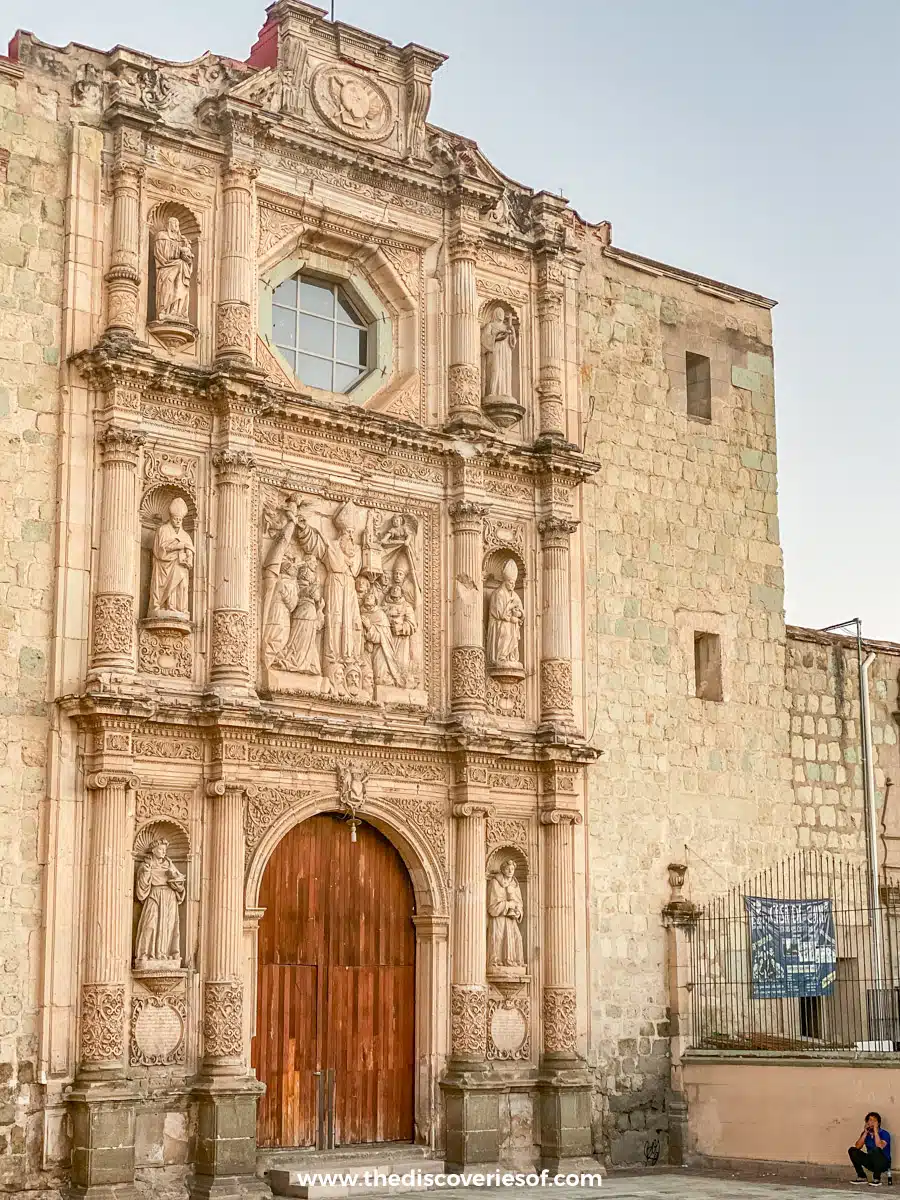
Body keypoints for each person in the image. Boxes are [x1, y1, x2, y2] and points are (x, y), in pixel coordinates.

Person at [849, 1111, 891, 1185]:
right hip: (871, 1162)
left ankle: (877, 1179)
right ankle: (862, 1176)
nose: (871, 1123)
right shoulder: (866, 1134)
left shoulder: (884, 1133)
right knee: (852, 1150)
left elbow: (879, 1146)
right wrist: (865, 1133)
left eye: (874, 1121)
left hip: (883, 1163)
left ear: (878, 1123)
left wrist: (875, 1131)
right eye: (870, 1120)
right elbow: (858, 1146)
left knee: (876, 1150)